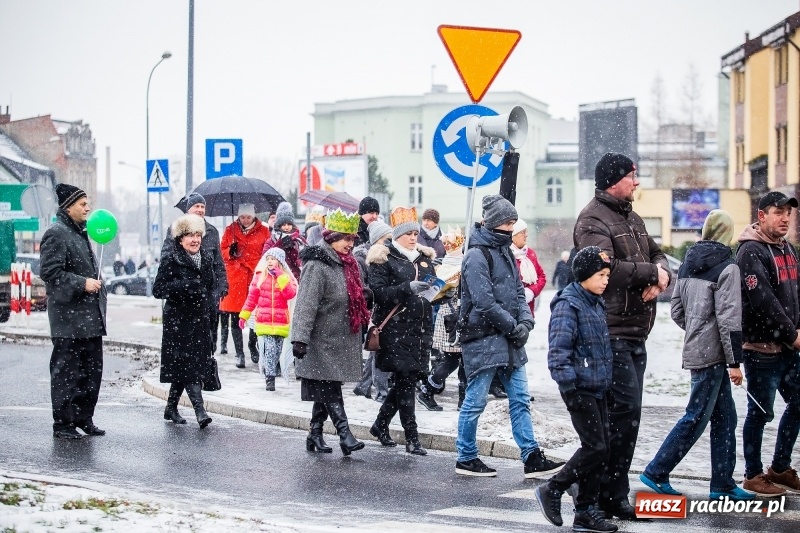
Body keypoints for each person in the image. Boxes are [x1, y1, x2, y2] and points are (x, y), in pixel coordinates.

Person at [573, 152, 670, 518]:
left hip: (635, 333)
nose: (638, 181)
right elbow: (603, 267)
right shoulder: (593, 219)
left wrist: (661, 275)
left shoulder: (634, 217)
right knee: (616, 416)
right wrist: (650, 274)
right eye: (633, 175)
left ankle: (614, 494)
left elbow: (659, 256)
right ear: (615, 179)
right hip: (609, 332)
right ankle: (593, 496)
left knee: (628, 417)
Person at [640, 210, 753, 501]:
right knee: (696, 417)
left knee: (726, 418)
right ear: (727, 233)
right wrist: (734, 362)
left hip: (697, 349)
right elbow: (729, 318)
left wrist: (697, 330)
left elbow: (677, 310)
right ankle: (657, 470)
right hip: (715, 356)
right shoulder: (728, 267)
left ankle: (723, 483)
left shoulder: (689, 262)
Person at [455, 195, 564, 478]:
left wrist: (525, 323)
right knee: (476, 400)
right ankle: (466, 456)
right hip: (483, 338)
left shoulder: (505, 252)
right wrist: (512, 326)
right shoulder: (476, 255)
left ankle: (531, 456)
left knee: (520, 399)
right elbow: (483, 301)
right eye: (507, 222)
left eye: (514, 222)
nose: (511, 227)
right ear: (492, 223)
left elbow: (518, 292)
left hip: (509, 339)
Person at [535, 246, 617, 533]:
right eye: (601, 274)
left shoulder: (595, 302)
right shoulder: (568, 304)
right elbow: (559, 351)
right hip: (579, 388)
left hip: (598, 386)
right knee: (595, 447)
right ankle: (553, 488)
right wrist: (569, 385)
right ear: (584, 275)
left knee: (601, 449)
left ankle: (586, 511)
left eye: (607, 274)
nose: (606, 280)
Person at [291, 209, 372, 455]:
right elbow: (306, 303)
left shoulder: (350, 264)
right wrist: (300, 338)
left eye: (353, 239)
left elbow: (354, 294)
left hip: (342, 337)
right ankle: (344, 434)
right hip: (321, 339)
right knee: (329, 387)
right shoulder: (317, 264)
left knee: (326, 386)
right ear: (331, 237)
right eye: (345, 238)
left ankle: (314, 434)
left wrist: (363, 296)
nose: (350, 244)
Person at [737, 191, 800, 496]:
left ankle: (779, 467)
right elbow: (762, 300)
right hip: (761, 349)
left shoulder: (787, 248)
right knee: (760, 412)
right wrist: (792, 334)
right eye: (778, 212)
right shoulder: (750, 251)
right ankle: (752, 474)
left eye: (788, 212)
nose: (785, 217)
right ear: (761, 216)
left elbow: (795, 295)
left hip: (788, 348)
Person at [367, 207, 439, 455]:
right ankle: (412, 437)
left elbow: (431, 292)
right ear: (397, 235)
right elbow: (377, 292)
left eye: (416, 232)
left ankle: (380, 425)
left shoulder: (424, 258)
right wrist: (406, 287)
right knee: (406, 382)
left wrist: (442, 292)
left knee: (405, 382)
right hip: (395, 328)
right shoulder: (384, 258)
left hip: (420, 330)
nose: (413, 237)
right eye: (408, 233)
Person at [40, 183, 107, 439]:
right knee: (66, 375)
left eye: (87, 202)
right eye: (82, 204)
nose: (88, 207)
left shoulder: (81, 233)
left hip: (89, 321)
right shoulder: (56, 233)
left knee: (91, 375)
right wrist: (83, 283)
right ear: (69, 207)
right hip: (68, 322)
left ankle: (83, 418)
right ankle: (63, 424)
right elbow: (50, 273)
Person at [153, 214, 216, 428]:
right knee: (188, 366)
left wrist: (211, 306)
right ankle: (200, 410)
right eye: (190, 235)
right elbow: (158, 289)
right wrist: (184, 287)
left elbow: (210, 287)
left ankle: (171, 408)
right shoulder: (172, 259)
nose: (195, 239)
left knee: (187, 366)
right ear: (180, 239)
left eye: (198, 234)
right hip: (178, 322)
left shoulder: (206, 258)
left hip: (199, 321)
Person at [162, 192, 228, 352]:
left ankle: (209, 362)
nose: (200, 209)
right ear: (188, 209)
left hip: (208, 293)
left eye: (202, 206)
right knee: (186, 341)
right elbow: (166, 256)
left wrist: (222, 284)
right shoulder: (176, 229)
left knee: (210, 334)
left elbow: (218, 261)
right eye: (196, 206)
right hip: (185, 295)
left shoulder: (212, 231)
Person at [417, 227, 467, 412]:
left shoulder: (443, 264)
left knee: (453, 359)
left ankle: (430, 391)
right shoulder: (460, 264)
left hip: (449, 316)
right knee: (457, 359)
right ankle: (431, 392)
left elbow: (431, 293)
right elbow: (432, 294)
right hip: (454, 317)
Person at [218, 203, 270, 368]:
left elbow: (268, 251)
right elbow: (221, 251)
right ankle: (239, 354)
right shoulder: (230, 230)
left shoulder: (264, 231)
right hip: (235, 278)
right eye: (242, 217)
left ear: (254, 216)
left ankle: (252, 345)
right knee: (235, 316)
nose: (245, 220)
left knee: (255, 315)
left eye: (248, 217)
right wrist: (229, 252)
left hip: (256, 276)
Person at [239, 247, 298, 391]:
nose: (270, 261)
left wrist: (280, 276)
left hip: (280, 322)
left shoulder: (286, 277)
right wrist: (244, 315)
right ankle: (270, 379)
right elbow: (252, 297)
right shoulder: (260, 276)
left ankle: (270, 371)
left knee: (276, 351)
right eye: (268, 259)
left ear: (280, 261)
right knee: (270, 349)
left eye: (273, 259)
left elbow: (290, 294)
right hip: (263, 321)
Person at [352, 219, 394, 402]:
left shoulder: (387, 255)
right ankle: (381, 392)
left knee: (376, 347)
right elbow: (363, 287)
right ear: (377, 240)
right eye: (386, 239)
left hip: (381, 308)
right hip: (374, 308)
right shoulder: (365, 258)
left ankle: (363, 386)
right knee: (379, 347)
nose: (389, 243)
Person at [511, 218, 546, 316]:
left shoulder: (530, 253)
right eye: (522, 232)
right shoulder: (506, 255)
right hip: (510, 311)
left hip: (528, 311)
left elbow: (541, 276)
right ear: (513, 236)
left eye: (526, 232)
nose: (526, 235)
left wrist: (531, 291)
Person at [262, 201, 305, 279]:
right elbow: (265, 258)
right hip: (277, 278)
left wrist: (293, 249)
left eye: (289, 224)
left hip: (296, 278)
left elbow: (302, 261)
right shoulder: (271, 240)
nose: (286, 227)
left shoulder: (299, 239)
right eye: (283, 225)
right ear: (279, 226)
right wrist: (280, 244)